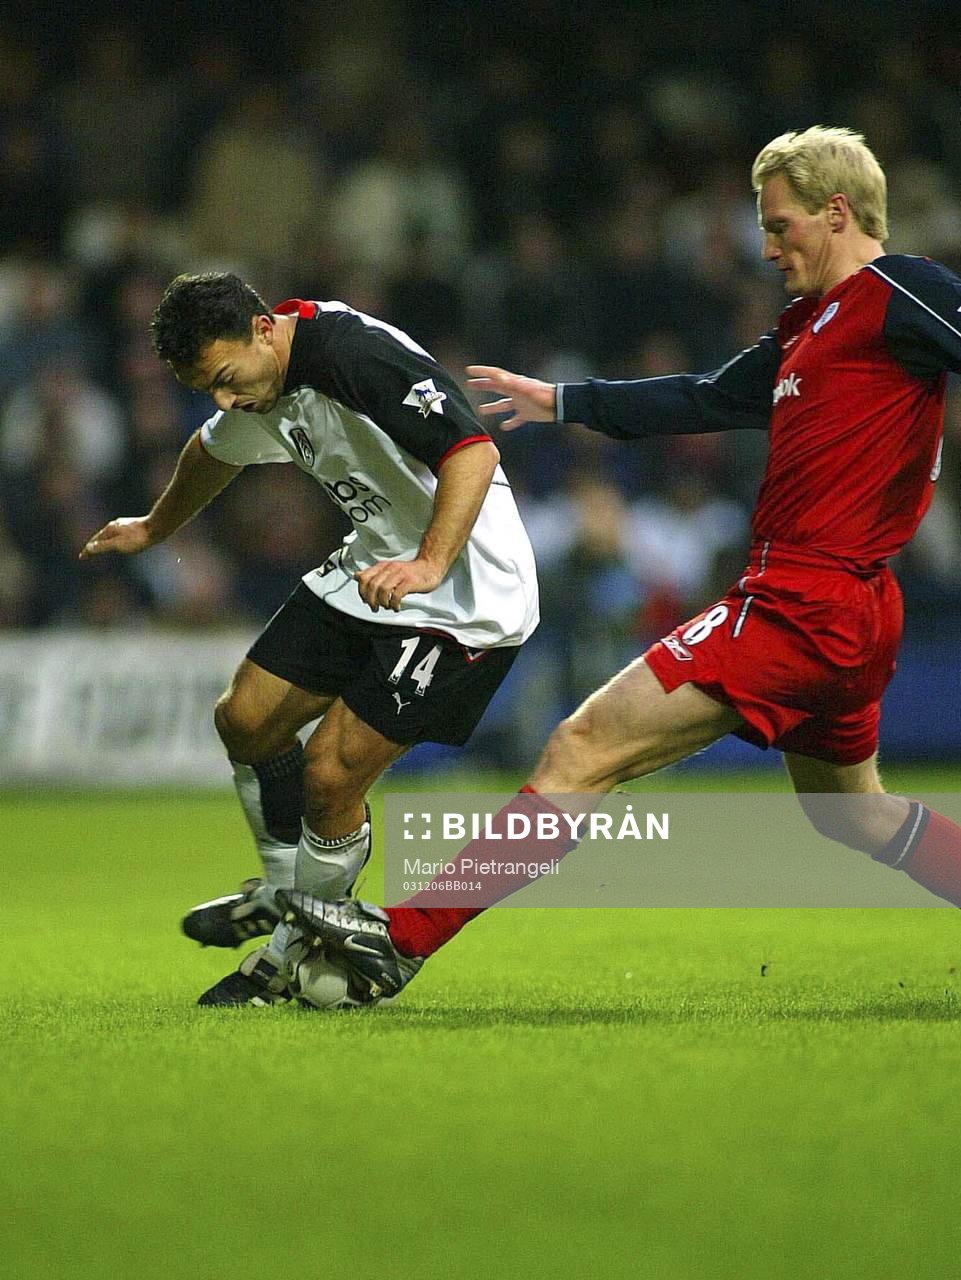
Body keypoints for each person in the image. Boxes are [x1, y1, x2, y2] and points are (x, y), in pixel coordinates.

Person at [276, 126, 961, 1004]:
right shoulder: (809, 329)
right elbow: (702, 397)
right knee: (856, 815)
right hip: (847, 609)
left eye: (779, 225)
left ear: (836, 213)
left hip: (805, 599)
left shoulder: (903, 290)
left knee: (580, 747)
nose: (766, 246)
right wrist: (560, 400)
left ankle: (399, 942)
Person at [80, 271, 538, 1005]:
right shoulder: (260, 378)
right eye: (210, 388)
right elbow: (212, 447)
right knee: (245, 718)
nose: (227, 399)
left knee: (330, 775)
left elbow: (471, 452)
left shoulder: (355, 357)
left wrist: (428, 562)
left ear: (263, 330)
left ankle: (288, 952)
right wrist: (153, 527)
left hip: (462, 593)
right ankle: (286, 890)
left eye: (226, 379)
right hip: (374, 567)